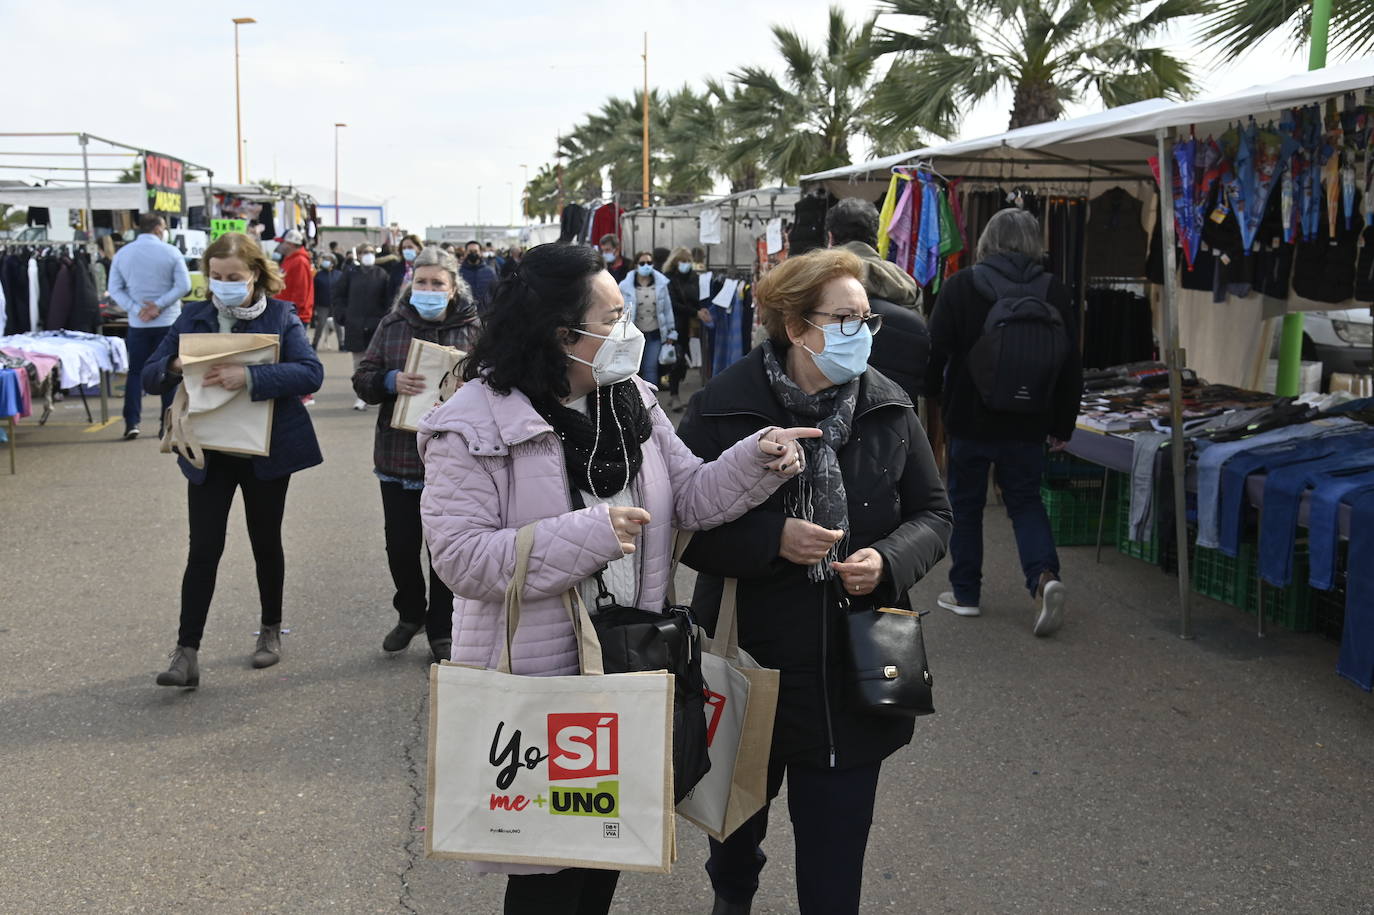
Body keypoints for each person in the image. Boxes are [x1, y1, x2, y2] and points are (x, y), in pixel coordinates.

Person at [417, 243, 819, 915]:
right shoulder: (472, 423)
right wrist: (591, 534)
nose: (628, 329)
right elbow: (461, 559)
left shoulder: (630, 401)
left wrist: (758, 457)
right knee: (547, 871)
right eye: (613, 315)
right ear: (561, 335)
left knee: (605, 852)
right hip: (544, 683)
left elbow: (689, 494)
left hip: (631, 665)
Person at [676, 248, 951, 915]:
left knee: (835, 864)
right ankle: (731, 896)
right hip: (749, 653)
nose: (863, 332)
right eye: (846, 319)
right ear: (797, 326)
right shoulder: (722, 407)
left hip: (859, 662)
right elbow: (684, 523)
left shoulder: (889, 407)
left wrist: (887, 560)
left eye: (868, 320)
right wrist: (773, 540)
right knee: (735, 832)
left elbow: (934, 514)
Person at [142, 231, 324, 688]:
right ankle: (186, 652)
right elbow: (147, 376)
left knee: (266, 541)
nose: (223, 284)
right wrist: (173, 366)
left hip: (265, 450)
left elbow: (310, 372)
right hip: (208, 452)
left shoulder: (281, 315)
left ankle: (269, 630)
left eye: (234, 277)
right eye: (216, 276)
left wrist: (250, 375)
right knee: (203, 549)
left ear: (256, 274)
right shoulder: (192, 316)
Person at [923, 207, 1083, 634]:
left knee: (967, 504)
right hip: (1029, 422)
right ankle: (1044, 577)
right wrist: (1062, 425)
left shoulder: (961, 287)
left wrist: (931, 397)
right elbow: (1071, 367)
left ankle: (966, 593)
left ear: (987, 241)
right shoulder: (1055, 291)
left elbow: (933, 352)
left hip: (970, 420)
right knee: (1026, 503)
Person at [351, 247, 481, 662]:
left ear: (452, 287)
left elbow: (500, 381)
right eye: (421, 282)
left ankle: (442, 629)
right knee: (400, 547)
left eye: (437, 283)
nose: (428, 290)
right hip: (398, 458)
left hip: (456, 458)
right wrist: (389, 380)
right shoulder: (392, 326)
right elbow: (363, 379)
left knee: (444, 549)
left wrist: (472, 389)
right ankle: (410, 613)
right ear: (411, 283)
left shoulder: (475, 329)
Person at [825, 197, 930, 403]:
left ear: (830, 238)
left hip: (829, 408)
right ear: (875, 239)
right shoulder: (906, 283)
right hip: (897, 408)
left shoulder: (818, 279)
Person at [108, 212, 192, 440]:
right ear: (158, 229)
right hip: (168, 322)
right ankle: (167, 424)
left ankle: (132, 422)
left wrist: (137, 309)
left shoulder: (122, 254)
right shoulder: (171, 252)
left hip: (138, 324)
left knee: (135, 373)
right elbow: (184, 285)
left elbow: (114, 289)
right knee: (170, 372)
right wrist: (160, 305)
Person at [337, 243, 391, 410]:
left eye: (371, 252)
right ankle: (361, 396)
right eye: (364, 252)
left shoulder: (382, 274)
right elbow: (339, 296)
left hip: (376, 325)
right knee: (358, 362)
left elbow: (387, 300)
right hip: (355, 324)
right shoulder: (350, 273)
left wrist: (384, 319)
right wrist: (343, 316)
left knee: (377, 362)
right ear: (358, 255)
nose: (368, 255)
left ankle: (376, 393)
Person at [618, 250, 676, 386]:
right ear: (636, 265)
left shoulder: (661, 285)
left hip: (655, 334)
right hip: (634, 335)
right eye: (642, 263)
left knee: (651, 368)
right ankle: (635, 402)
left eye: (649, 263)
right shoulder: (625, 286)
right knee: (634, 370)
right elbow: (620, 310)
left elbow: (667, 309)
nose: (646, 266)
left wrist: (671, 332)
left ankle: (651, 404)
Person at [275, 229, 316, 404]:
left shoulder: (298, 261)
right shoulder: (291, 260)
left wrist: (292, 315)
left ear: (290, 243)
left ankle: (305, 393)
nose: (280, 245)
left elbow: (300, 292)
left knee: (297, 355)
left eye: (283, 242)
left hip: (295, 316)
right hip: (289, 314)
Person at [663, 245, 699, 412]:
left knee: (681, 358)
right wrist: (696, 312)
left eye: (688, 261)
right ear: (675, 262)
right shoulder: (668, 278)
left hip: (688, 326)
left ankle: (673, 393)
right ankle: (674, 395)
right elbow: (673, 303)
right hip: (674, 324)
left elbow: (697, 298)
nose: (686, 264)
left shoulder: (693, 277)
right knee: (676, 359)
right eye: (682, 261)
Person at [312, 250, 344, 350]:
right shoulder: (318, 275)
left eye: (328, 260)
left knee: (338, 324)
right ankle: (314, 344)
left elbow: (343, 289)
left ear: (333, 262)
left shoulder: (339, 274)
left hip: (336, 304)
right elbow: (314, 290)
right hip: (322, 304)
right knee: (320, 324)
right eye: (325, 260)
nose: (326, 261)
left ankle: (342, 344)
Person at [460, 239, 498, 315]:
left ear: (480, 253)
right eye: (470, 252)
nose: (473, 254)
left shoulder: (490, 272)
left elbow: (496, 293)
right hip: (464, 315)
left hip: (485, 314)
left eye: (475, 251)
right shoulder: (459, 272)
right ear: (466, 253)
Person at [387, 234, 424, 302]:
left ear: (418, 248)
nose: (406, 250)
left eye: (410, 247)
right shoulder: (396, 268)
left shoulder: (425, 267)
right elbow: (390, 292)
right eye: (404, 248)